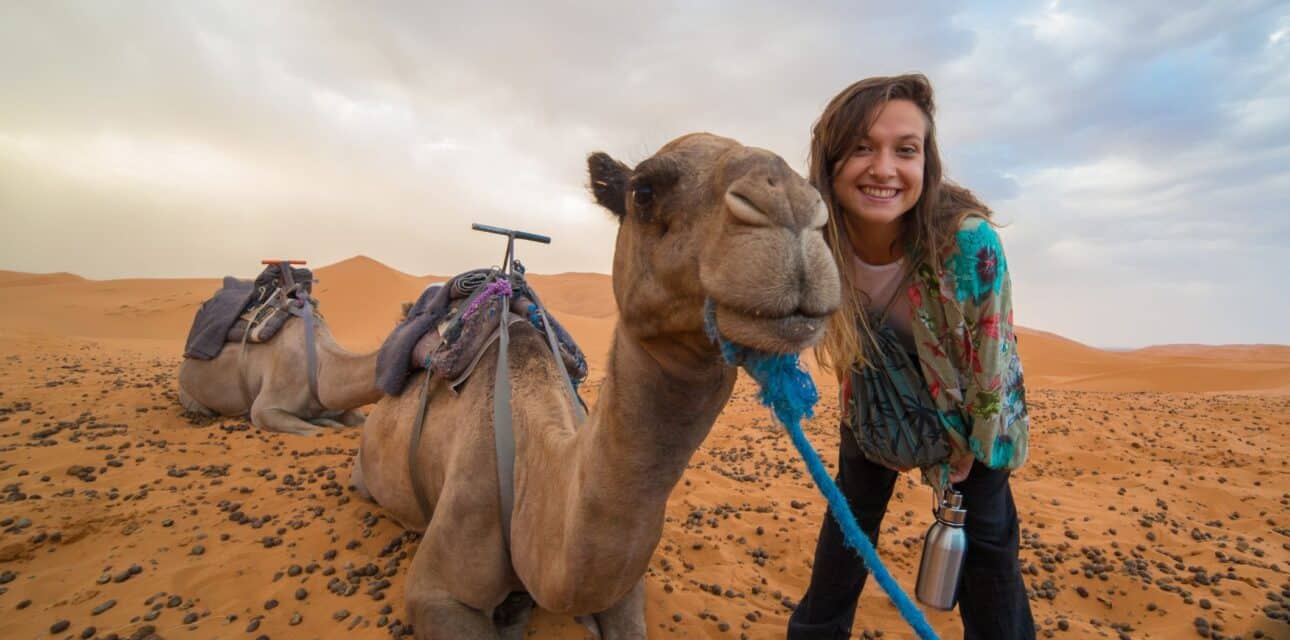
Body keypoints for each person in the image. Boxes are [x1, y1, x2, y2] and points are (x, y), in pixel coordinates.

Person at [786, 74, 1035, 639]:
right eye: (861, 148)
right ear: (830, 162)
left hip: (971, 410)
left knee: (988, 548)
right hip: (875, 399)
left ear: (927, 161)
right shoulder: (817, 242)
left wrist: (969, 452)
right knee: (848, 527)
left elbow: (992, 363)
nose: (883, 169)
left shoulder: (967, 243)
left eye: (905, 150)